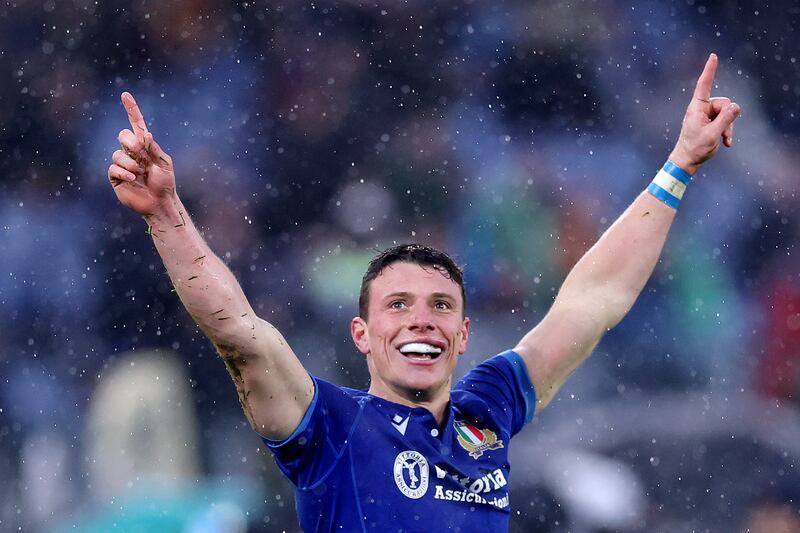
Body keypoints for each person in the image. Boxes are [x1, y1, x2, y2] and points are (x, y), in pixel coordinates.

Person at [107, 53, 741, 531]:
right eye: (397, 306)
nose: (422, 322)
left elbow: (591, 300)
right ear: (362, 335)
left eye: (441, 307)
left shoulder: (487, 411)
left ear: (464, 335)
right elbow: (239, 331)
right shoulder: (330, 426)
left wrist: (679, 165)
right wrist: (165, 212)